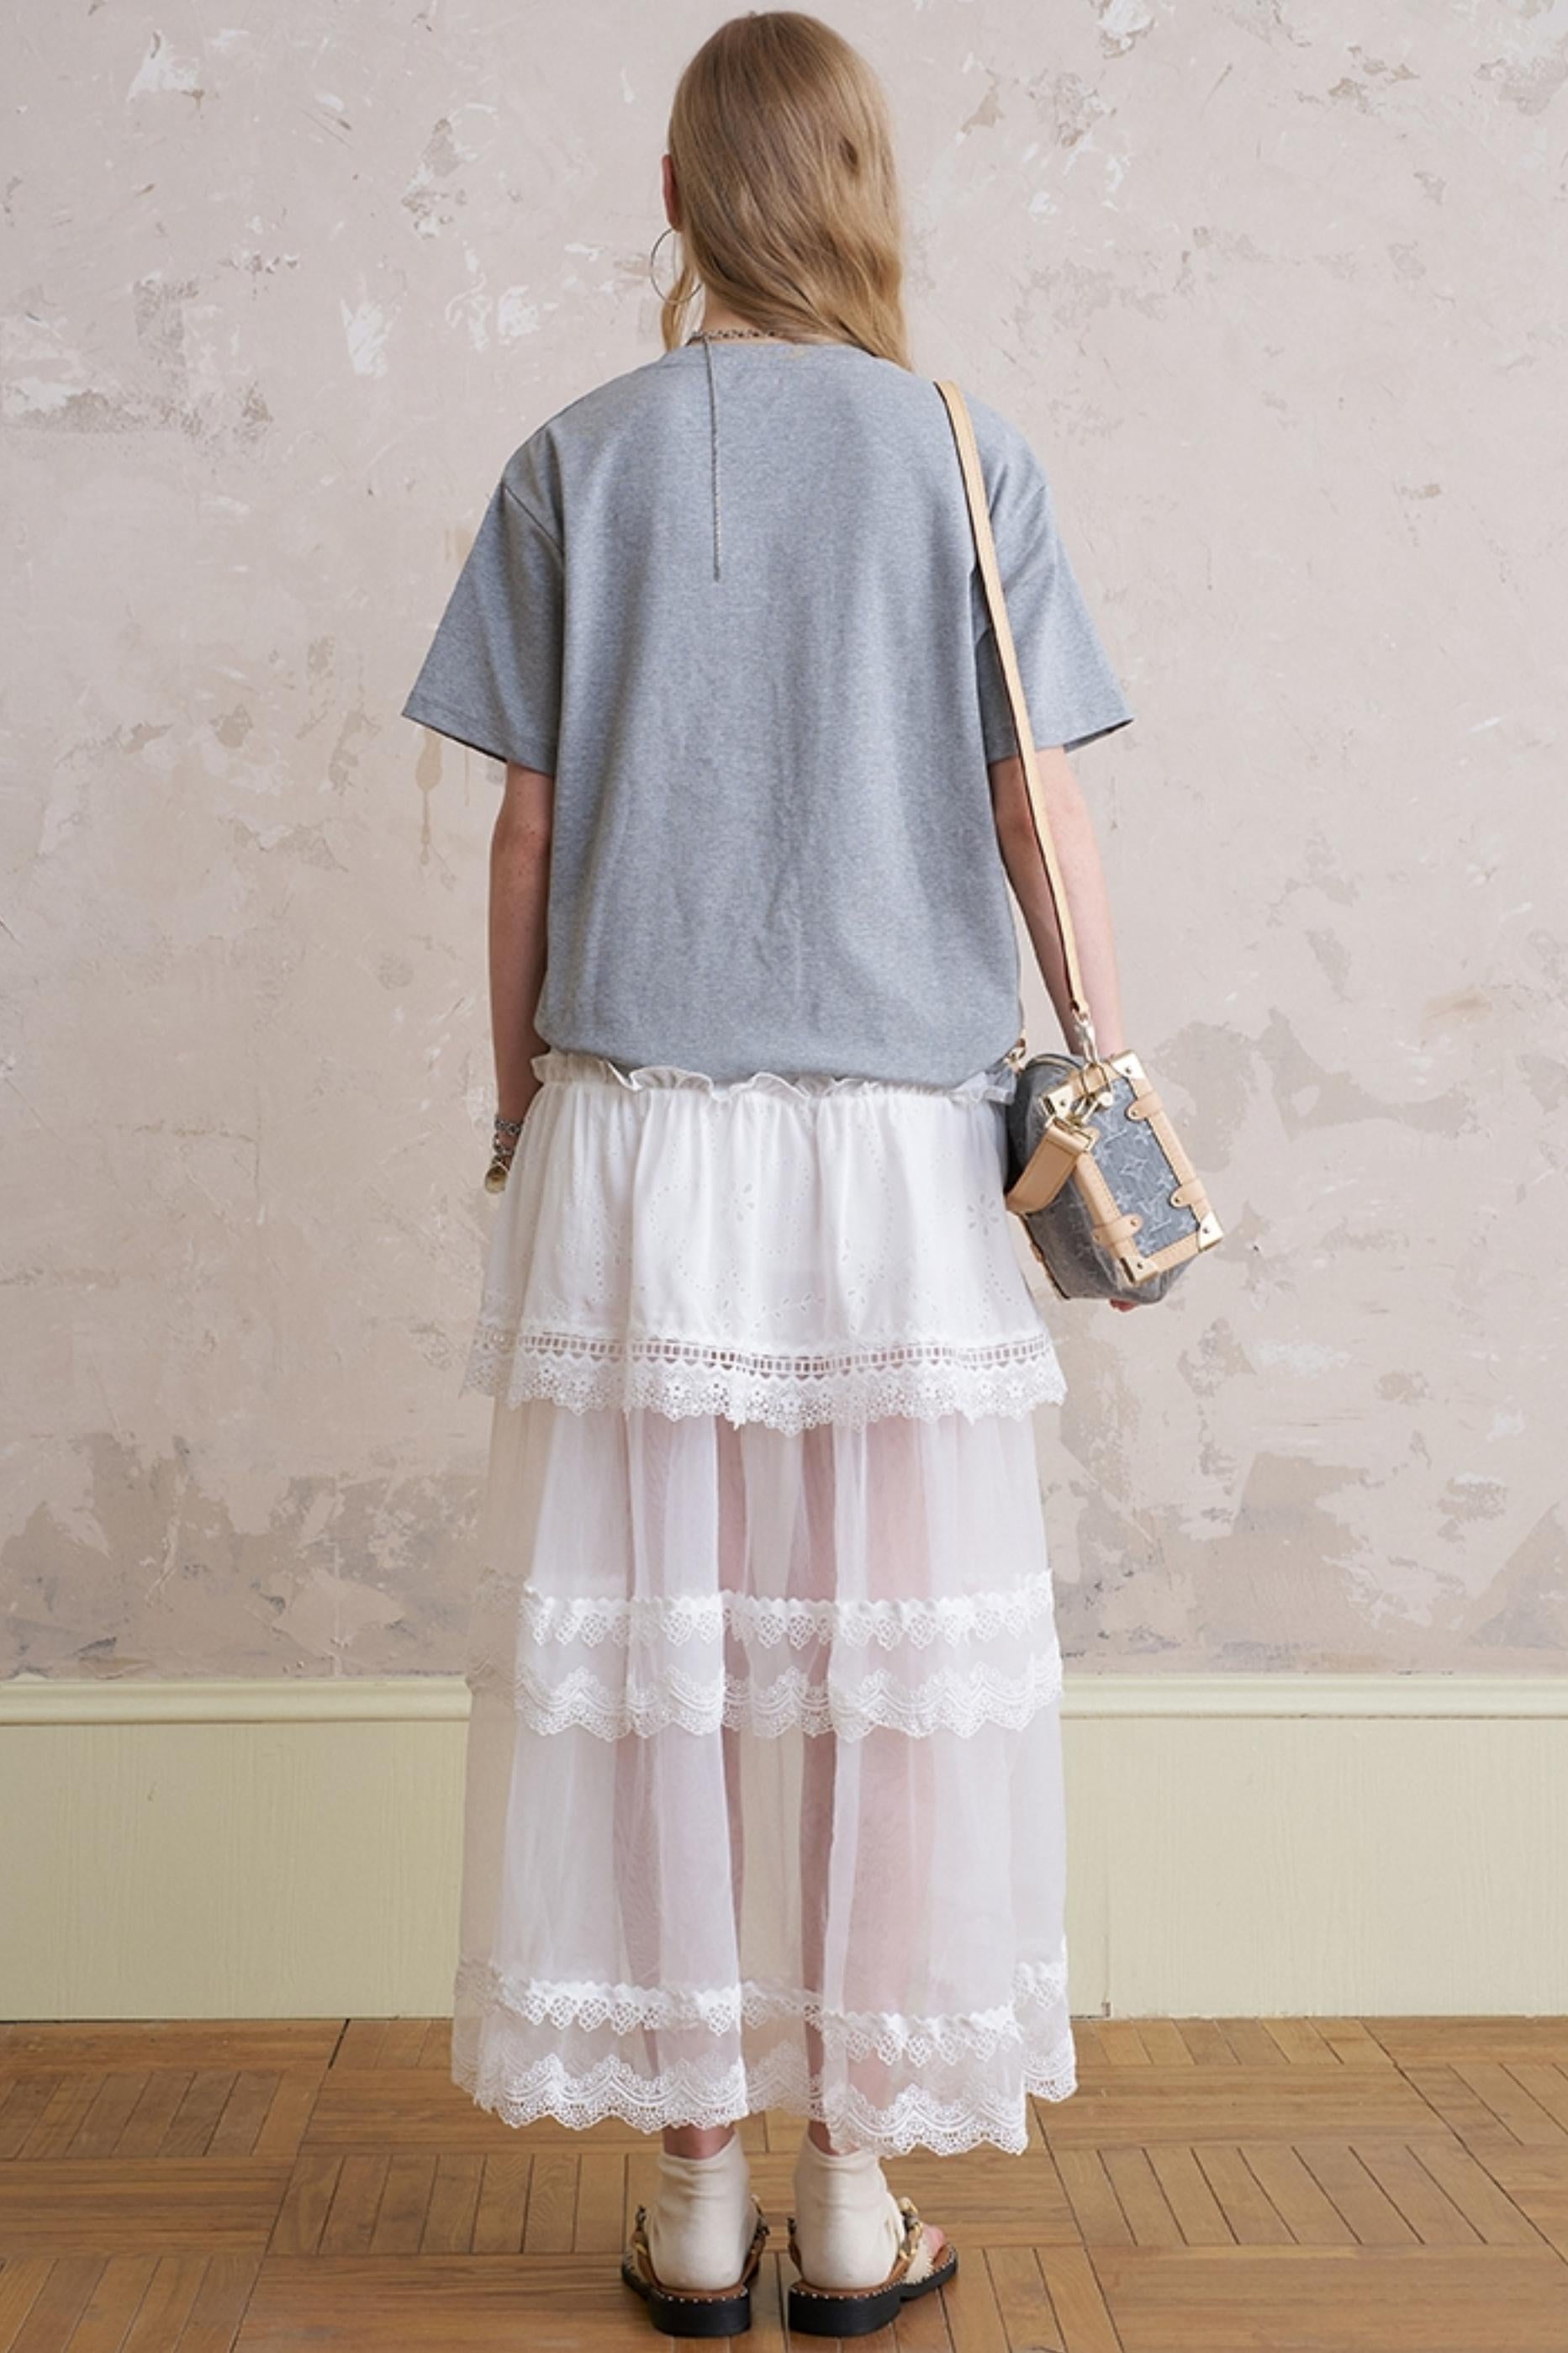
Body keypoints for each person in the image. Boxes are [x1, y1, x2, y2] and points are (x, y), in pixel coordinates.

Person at [399, 11, 1140, 2336]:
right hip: (897, 1157)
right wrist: (1101, 1071)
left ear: (674, 190)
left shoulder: (574, 457)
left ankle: (697, 2198)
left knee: (664, 1669)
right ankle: (852, 2197)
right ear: (859, 189)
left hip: (639, 1141)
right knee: (888, 1673)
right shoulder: (965, 453)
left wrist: (518, 1106)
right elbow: (1035, 800)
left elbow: (522, 832)